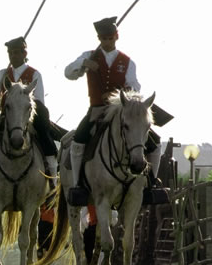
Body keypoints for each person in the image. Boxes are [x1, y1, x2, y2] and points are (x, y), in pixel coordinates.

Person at [64, 17, 162, 206]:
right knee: (78, 140)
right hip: (96, 111)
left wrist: (118, 94)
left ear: (116, 36)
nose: (107, 42)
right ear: (99, 38)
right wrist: (84, 63)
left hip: (121, 111)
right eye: (103, 38)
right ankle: (78, 185)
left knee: (155, 142)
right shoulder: (89, 55)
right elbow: (68, 73)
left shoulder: (128, 62)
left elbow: (135, 88)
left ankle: (152, 184)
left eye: (110, 38)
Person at [0, 36, 63, 208]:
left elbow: (39, 101)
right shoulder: (2, 74)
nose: (13, 56)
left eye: (16, 52)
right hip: (6, 120)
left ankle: (52, 187)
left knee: (49, 148)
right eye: (10, 53)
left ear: (24, 53)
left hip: (29, 119)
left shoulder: (34, 74)